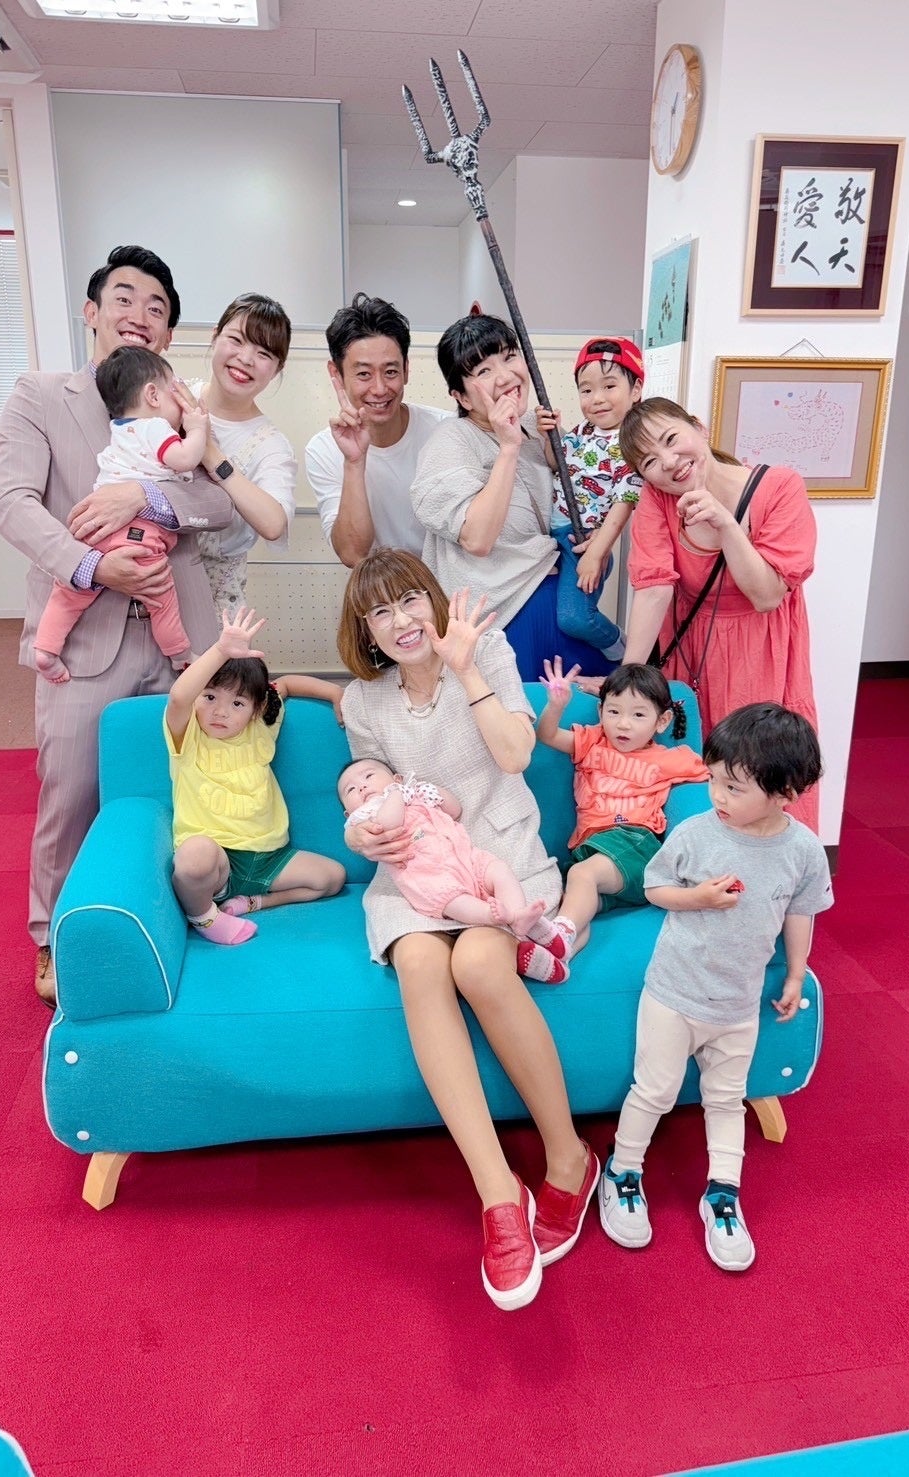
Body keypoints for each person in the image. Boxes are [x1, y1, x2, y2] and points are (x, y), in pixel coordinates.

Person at [337, 547, 600, 1311]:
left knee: (480, 965)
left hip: (500, 856)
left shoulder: (485, 649)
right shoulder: (363, 702)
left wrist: (466, 669)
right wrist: (366, 837)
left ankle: (568, 1158)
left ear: (434, 600)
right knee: (422, 964)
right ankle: (497, 1193)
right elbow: (367, 797)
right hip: (418, 873)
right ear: (367, 631)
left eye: (409, 600)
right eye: (379, 612)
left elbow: (516, 754)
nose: (400, 620)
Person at [0, 244, 233, 1005]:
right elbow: (11, 502)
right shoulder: (40, 394)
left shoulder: (177, 404)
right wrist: (92, 565)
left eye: (157, 307)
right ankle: (55, 935)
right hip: (82, 638)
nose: (140, 314)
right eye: (124, 298)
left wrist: (147, 500)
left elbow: (219, 505)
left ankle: (170, 913)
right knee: (72, 792)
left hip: (178, 637)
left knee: (178, 785)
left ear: (168, 333)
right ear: (91, 311)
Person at [597, 703, 832, 1271]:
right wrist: (696, 897)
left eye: (734, 787)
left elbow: (801, 912)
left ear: (785, 793)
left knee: (726, 1099)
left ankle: (722, 1193)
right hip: (673, 993)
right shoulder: (696, 833)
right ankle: (622, 1171)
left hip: (737, 1004)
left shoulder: (803, 850)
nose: (717, 796)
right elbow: (655, 888)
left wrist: (796, 971)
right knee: (653, 1090)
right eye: (715, 780)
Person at [617, 395, 821, 832]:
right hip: (690, 655)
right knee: (689, 773)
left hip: (760, 657)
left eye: (671, 439)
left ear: (698, 427)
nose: (669, 462)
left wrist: (726, 525)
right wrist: (627, 682)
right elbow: (653, 588)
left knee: (758, 769)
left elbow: (767, 595)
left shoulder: (780, 487)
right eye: (650, 461)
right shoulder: (657, 499)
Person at [410, 313, 613, 683]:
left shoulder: (537, 427)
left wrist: (599, 533)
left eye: (509, 357)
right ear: (461, 396)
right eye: (483, 371)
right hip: (500, 625)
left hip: (564, 611)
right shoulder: (451, 441)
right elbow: (477, 539)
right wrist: (508, 447)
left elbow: (587, 492)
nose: (505, 376)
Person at [166, 606, 346, 944]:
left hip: (269, 858)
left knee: (332, 877)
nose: (220, 712)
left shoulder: (260, 728)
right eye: (210, 697)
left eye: (237, 703)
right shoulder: (187, 736)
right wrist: (221, 650)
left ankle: (252, 903)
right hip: (219, 860)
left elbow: (287, 684)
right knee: (193, 857)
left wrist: (334, 692)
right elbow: (178, 697)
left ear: (255, 709)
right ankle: (205, 917)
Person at [32, 346, 205, 683]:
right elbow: (184, 459)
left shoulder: (120, 430)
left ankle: (47, 649)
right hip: (138, 533)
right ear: (153, 394)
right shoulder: (156, 429)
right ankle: (180, 655)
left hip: (96, 529)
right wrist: (197, 429)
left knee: (68, 594)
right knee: (161, 597)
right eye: (174, 392)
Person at [535, 658, 708, 954]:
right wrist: (556, 705)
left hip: (635, 844)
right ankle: (558, 959)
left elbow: (716, 777)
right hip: (592, 850)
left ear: (662, 721)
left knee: (581, 876)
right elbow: (547, 735)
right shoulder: (592, 741)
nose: (623, 724)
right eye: (614, 712)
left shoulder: (670, 759)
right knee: (574, 899)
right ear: (601, 711)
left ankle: (558, 936)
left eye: (638, 715)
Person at [338, 758, 569, 979]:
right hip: (430, 878)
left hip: (467, 858)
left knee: (499, 870)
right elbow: (388, 823)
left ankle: (518, 915)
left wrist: (429, 791)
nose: (362, 787)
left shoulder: (416, 794)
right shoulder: (365, 818)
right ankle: (493, 917)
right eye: (351, 789)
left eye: (369, 776)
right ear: (348, 813)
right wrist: (395, 794)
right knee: (454, 901)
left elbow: (455, 809)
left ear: (396, 778)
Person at [304, 293, 450, 566]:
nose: (380, 389)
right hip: (378, 590)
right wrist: (354, 462)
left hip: (446, 587)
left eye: (391, 372)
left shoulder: (445, 432)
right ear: (336, 374)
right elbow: (353, 555)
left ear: (406, 369)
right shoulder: (323, 449)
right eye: (363, 374)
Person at [184, 293, 297, 619]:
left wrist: (211, 455)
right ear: (215, 336)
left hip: (215, 602)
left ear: (277, 369)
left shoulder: (270, 445)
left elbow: (274, 523)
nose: (246, 359)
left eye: (264, 353)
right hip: (146, 580)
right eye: (236, 340)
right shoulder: (174, 397)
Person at [534, 336, 645, 662]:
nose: (597, 398)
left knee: (575, 618)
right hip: (551, 536)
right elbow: (557, 464)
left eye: (609, 386)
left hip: (582, 543)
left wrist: (596, 553)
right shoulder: (583, 431)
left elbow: (624, 505)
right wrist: (549, 436)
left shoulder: (632, 444)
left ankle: (622, 650)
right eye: (586, 390)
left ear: (635, 390)